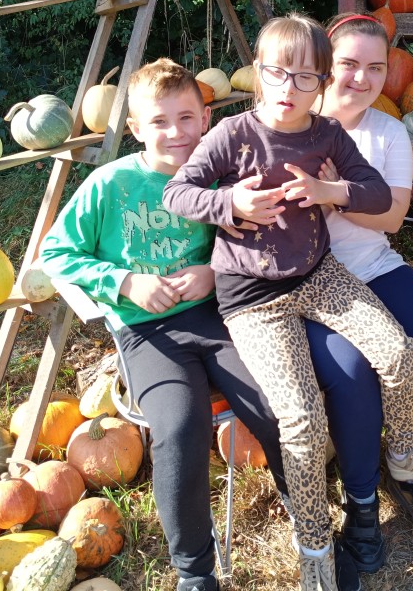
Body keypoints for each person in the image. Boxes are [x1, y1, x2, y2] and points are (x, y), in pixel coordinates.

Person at [162, 13, 413, 591]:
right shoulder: (232, 133)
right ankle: (315, 547)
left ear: (320, 82)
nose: (290, 88)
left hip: (319, 272)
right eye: (278, 74)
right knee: (302, 419)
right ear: (258, 72)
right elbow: (177, 190)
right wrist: (229, 204)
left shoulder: (329, 134)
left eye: (305, 77)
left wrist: (330, 190)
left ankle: (406, 455)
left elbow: (379, 196)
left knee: (399, 352)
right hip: (254, 297)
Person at [39, 58, 290, 591]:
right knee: (179, 428)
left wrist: (212, 271)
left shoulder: (220, 178)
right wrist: (125, 281)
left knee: (276, 404)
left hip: (219, 316)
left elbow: (257, 241)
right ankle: (195, 571)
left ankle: (308, 516)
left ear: (205, 120)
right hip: (147, 331)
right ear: (135, 127)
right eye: (159, 121)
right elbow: (55, 253)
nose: (175, 132)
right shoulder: (111, 184)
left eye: (186, 118)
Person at [306, 13, 413, 572]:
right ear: (325, 63)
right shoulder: (294, 119)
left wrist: (332, 191)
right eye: (349, 63)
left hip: (374, 265)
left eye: (375, 67)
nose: (361, 77)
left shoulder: (389, 132)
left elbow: (393, 218)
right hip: (310, 278)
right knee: (353, 373)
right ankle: (361, 503)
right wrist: (349, 195)